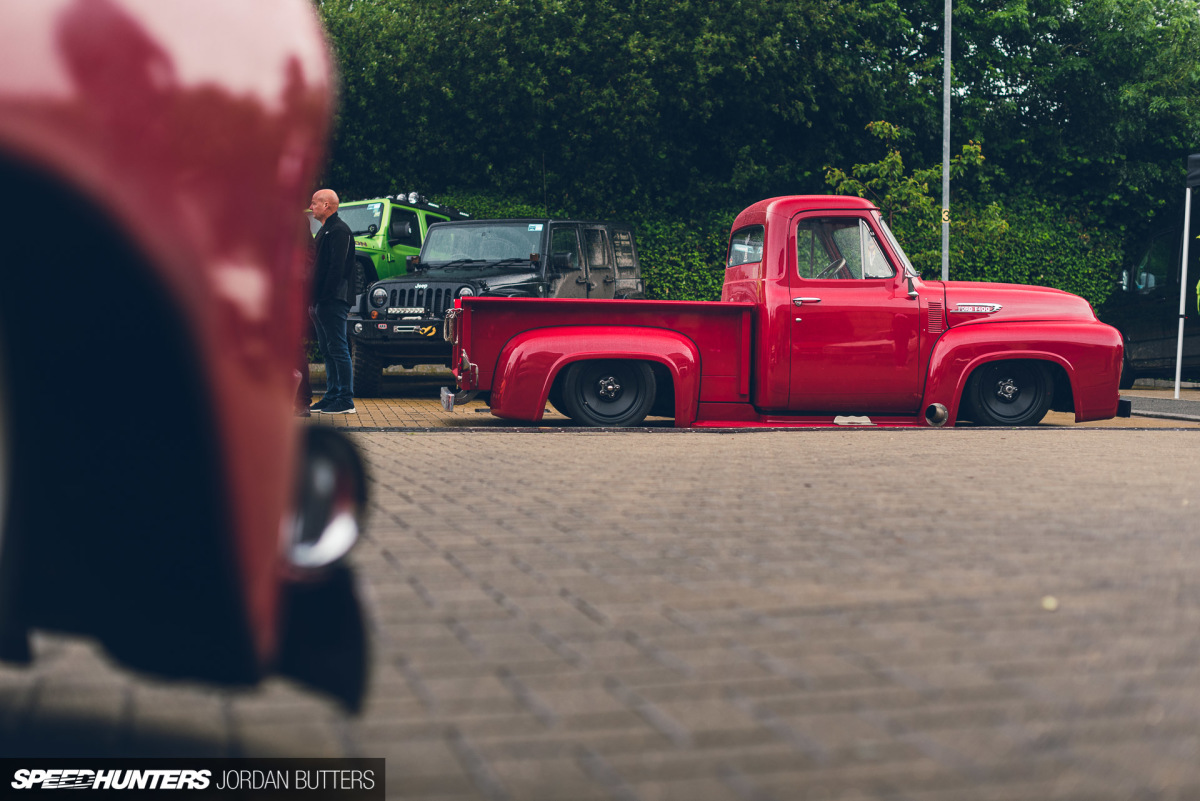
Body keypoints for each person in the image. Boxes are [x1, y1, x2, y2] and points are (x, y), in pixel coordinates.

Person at [308, 189, 357, 414]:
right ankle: (332, 395)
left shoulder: (339, 230)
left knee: (337, 347)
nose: (311, 207)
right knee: (328, 349)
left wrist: (324, 297)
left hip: (334, 299)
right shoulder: (326, 230)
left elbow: (337, 268)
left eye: (314, 203)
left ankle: (345, 399)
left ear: (326, 205)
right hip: (322, 300)